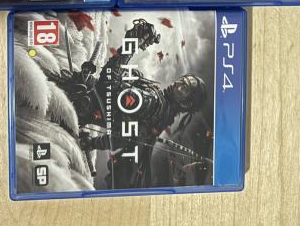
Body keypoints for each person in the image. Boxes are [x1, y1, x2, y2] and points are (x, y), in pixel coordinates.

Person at [52, 18, 208, 188]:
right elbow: (123, 136)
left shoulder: (154, 103)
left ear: (186, 104)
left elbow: (108, 84)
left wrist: (133, 42)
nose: (178, 85)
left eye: (184, 90)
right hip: (76, 105)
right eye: (183, 81)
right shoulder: (159, 116)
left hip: (73, 99)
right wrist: (93, 142)